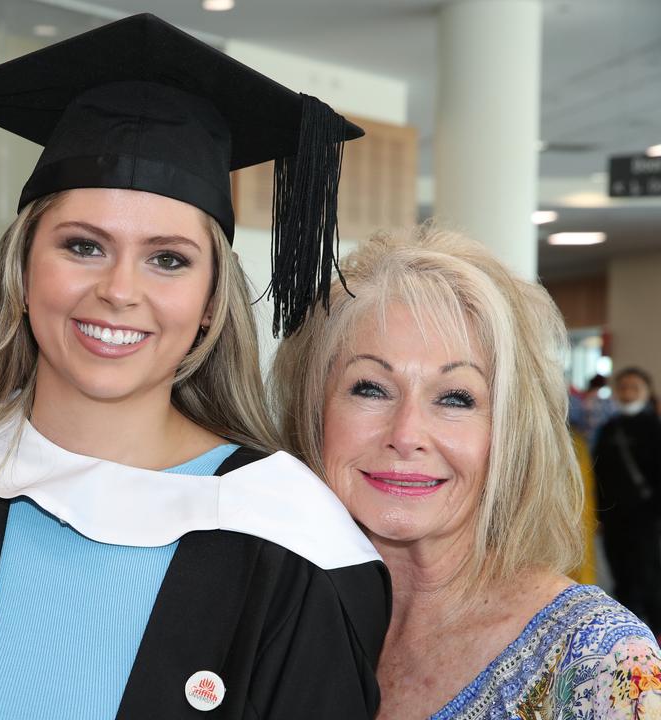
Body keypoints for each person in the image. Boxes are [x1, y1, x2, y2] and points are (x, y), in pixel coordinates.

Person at [0, 14, 390, 720]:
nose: (119, 290)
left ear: (210, 301)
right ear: (22, 270)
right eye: (83, 246)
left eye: (168, 259)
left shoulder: (290, 541)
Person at [273, 225, 661, 719]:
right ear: (312, 412)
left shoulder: (601, 666)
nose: (407, 432)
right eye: (370, 388)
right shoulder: (269, 623)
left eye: (456, 398)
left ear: (510, 433)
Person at [594, 367, 661, 627]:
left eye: (635, 387)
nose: (628, 393)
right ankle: (627, 632)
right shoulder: (610, 427)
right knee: (619, 572)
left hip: (644, 515)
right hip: (614, 516)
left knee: (647, 572)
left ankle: (654, 630)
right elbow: (598, 473)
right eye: (623, 387)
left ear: (646, 391)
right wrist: (600, 514)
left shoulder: (653, 427)